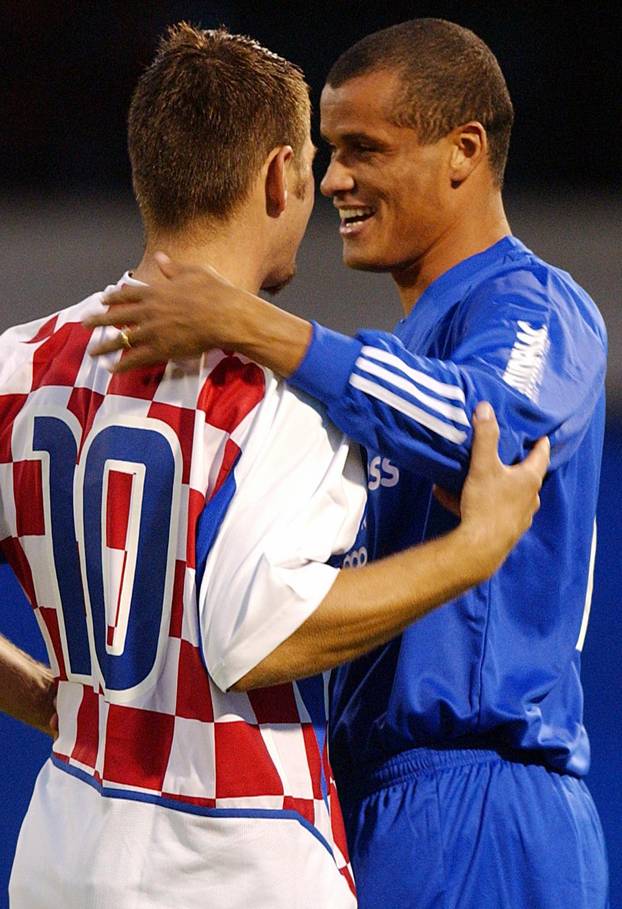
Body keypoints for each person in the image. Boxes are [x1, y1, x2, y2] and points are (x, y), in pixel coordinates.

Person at [0, 23, 547, 909]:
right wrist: (471, 551)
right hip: (240, 846)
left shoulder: (18, 367)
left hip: (64, 840)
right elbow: (257, 635)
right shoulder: (286, 399)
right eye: (315, 163)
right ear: (277, 177)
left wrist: (48, 699)